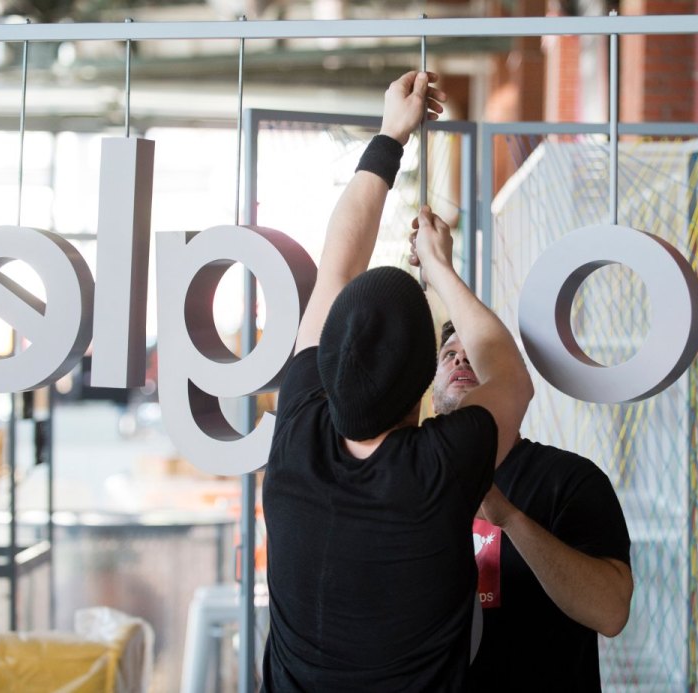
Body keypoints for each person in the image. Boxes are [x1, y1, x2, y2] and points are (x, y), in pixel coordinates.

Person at [260, 70, 534, 692]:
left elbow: (336, 263)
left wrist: (390, 137)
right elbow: (511, 376)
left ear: (325, 365)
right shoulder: (434, 469)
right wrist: (439, 268)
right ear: (422, 383)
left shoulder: (297, 436)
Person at [431, 320, 634, 692]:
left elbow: (611, 613)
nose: (460, 360)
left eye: (473, 355)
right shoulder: (408, 480)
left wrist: (507, 517)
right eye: (449, 355)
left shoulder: (570, 480)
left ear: (510, 381)